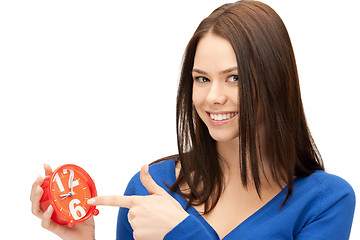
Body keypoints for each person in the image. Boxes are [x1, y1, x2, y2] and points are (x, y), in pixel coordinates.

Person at [30, 1, 356, 239]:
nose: (213, 97)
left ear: (276, 81)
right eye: (201, 79)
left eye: (235, 78)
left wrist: (183, 233)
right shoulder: (149, 188)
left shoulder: (326, 202)